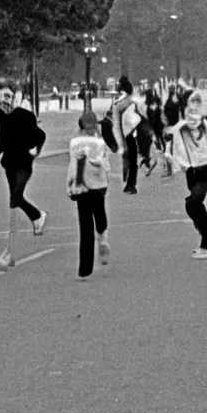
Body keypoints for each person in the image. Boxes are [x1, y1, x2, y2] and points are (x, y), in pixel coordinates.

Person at [0, 87, 48, 268]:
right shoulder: (2, 116)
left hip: (24, 165)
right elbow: (3, 135)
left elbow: (41, 135)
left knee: (14, 201)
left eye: (6, 101)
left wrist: (35, 151)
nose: (3, 105)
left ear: (14, 100)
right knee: (16, 198)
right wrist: (0, 149)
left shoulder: (25, 116)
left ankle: (8, 253)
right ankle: (37, 216)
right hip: (9, 163)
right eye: (0, 102)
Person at [165, 92, 207, 259]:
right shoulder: (181, 127)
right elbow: (171, 142)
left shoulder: (206, 123)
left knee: (193, 202)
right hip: (191, 170)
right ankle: (204, 234)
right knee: (194, 204)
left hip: (205, 168)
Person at [67, 111, 111, 279]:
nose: (90, 130)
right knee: (92, 222)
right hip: (89, 186)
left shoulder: (92, 142)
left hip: (91, 185)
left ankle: (100, 244)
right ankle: (88, 263)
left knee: (93, 221)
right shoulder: (87, 143)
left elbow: (105, 165)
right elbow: (74, 164)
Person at [111, 76, 146, 194]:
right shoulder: (133, 102)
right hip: (132, 133)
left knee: (128, 158)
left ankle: (127, 179)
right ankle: (131, 184)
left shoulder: (117, 104)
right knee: (132, 159)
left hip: (123, 133)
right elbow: (140, 118)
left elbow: (116, 123)